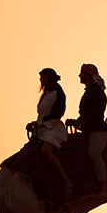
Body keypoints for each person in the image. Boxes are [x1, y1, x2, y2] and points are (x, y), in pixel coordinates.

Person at [26, 67, 73, 198]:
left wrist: (40, 124)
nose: (41, 79)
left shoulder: (58, 93)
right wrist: (35, 124)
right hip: (42, 128)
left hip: (53, 128)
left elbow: (57, 113)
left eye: (43, 77)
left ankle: (66, 181)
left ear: (49, 78)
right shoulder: (45, 93)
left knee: (46, 150)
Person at [66, 63, 107, 199]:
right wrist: (76, 121)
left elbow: (96, 115)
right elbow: (85, 114)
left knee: (94, 153)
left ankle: (104, 187)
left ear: (88, 75)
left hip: (98, 130)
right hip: (88, 130)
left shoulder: (98, 93)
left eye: (82, 73)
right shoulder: (88, 92)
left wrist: (82, 122)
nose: (79, 75)